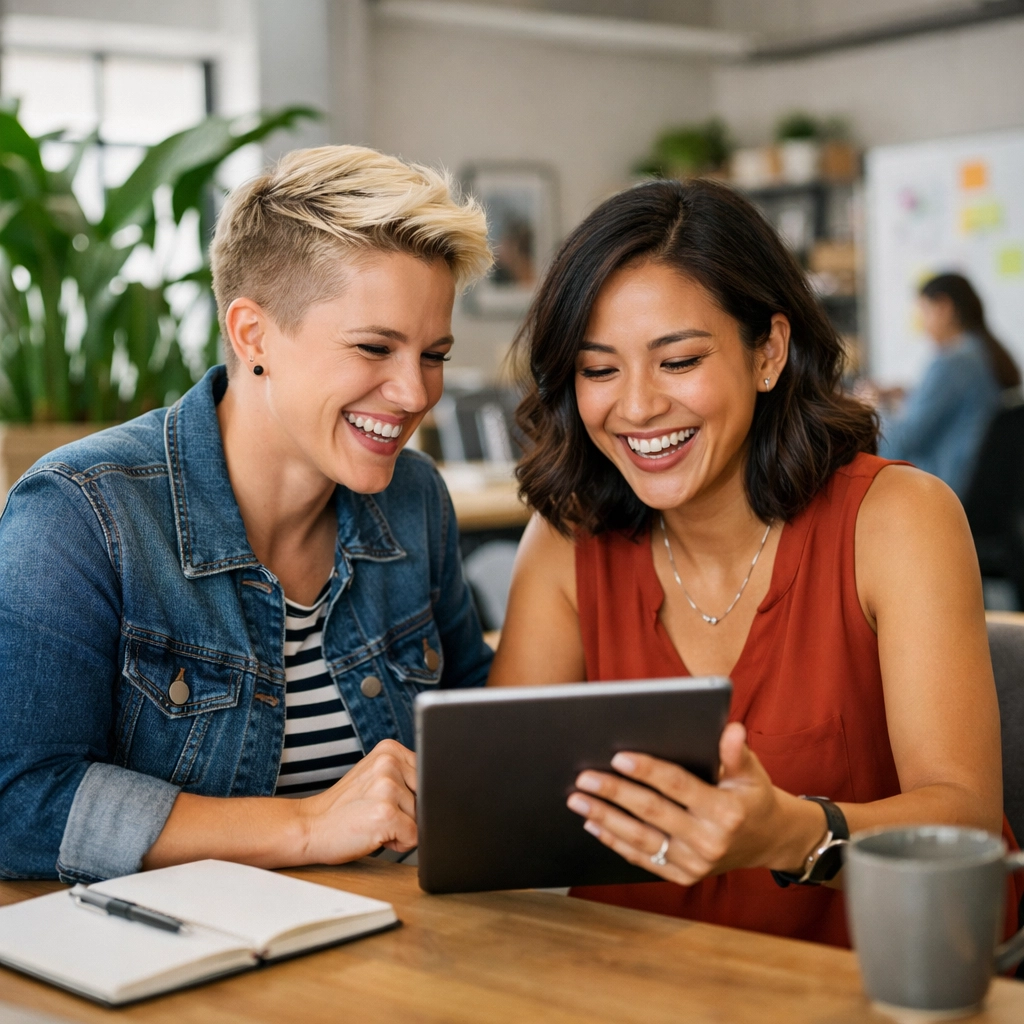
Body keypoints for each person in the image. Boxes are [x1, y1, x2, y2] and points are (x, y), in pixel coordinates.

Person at [490, 178, 1019, 947]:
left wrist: (789, 833)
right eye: (598, 369)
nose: (634, 407)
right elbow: (508, 807)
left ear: (768, 352)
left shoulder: (898, 519)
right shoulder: (568, 543)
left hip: (873, 975)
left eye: (677, 361)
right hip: (639, 983)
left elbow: (963, 819)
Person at [0, 145, 494, 882]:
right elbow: (19, 805)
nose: (416, 393)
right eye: (374, 348)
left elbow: (470, 722)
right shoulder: (81, 514)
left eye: (435, 355)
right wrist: (304, 826)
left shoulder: (413, 499)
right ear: (253, 334)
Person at [878, 273, 1020, 498]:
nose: (923, 325)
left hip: (946, 492)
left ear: (944, 307)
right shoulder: (983, 352)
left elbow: (897, 446)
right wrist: (912, 395)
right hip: (983, 494)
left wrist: (875, 409)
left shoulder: (952, 363)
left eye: (924, 312)